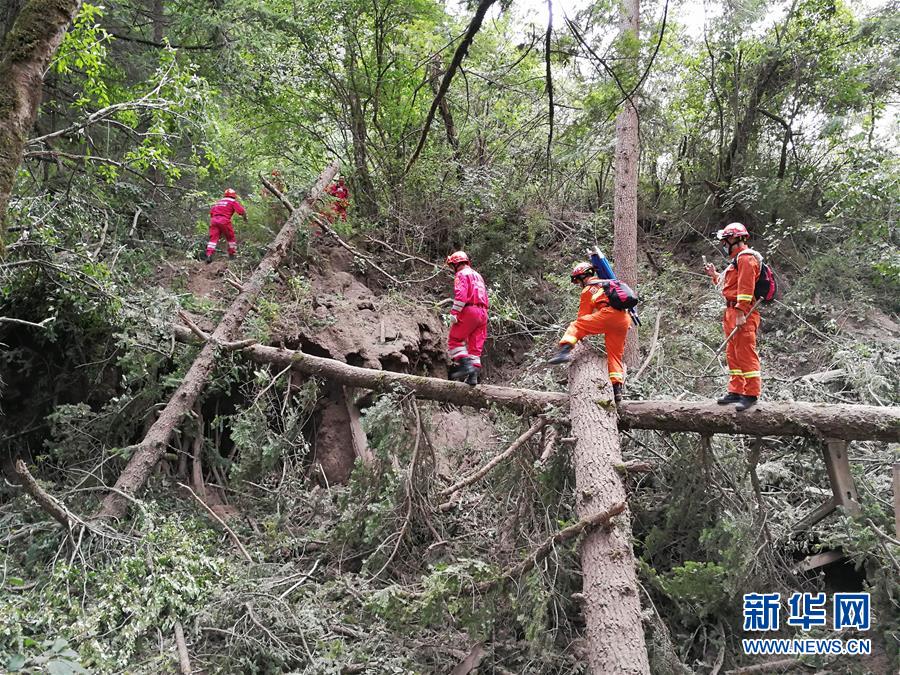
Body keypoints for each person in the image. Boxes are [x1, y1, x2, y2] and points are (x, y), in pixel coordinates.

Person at [548, 262, 631, 403]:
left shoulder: (589, 289)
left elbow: (582, 316)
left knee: (576, 325)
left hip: (609, 315)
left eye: (577, 280)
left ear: (582, 277)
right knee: (615, 355)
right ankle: (617, 389)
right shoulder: (608, 283)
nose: (578, 284)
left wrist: (579, 335)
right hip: (624, 319)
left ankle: (564, 351)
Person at [703, 222, 762, 412]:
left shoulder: (746, 259)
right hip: (731, 312)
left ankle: (751, 394)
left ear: (734, 239)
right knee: (733, 353)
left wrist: (740, 313)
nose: (723, 245)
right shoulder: (737, 261)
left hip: (743, 313)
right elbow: (730, 285)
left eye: (725, 241)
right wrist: (714, 275)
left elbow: (746, 289)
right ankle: (736, 390)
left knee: (745, 352)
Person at [445, 251, 489, 386]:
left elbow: (461, 296)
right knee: (475, 348)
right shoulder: (478, 276)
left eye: (452, 265)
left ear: (456, 264)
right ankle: (473, 377)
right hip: (483, 312)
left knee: (454, 340)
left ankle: (465, 366)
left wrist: (454, 313)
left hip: (470, 310)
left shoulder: (461, 274)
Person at [206, 188, 246, 263]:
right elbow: (241, 211)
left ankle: (209, 255)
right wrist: (245, 218)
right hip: (224, 221)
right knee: (231, 238)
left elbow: (211, 213)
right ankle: (232, 255)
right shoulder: (233, 201)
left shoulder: (219, 202)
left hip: (214, 220)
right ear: (234, 195)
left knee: (213, 239)